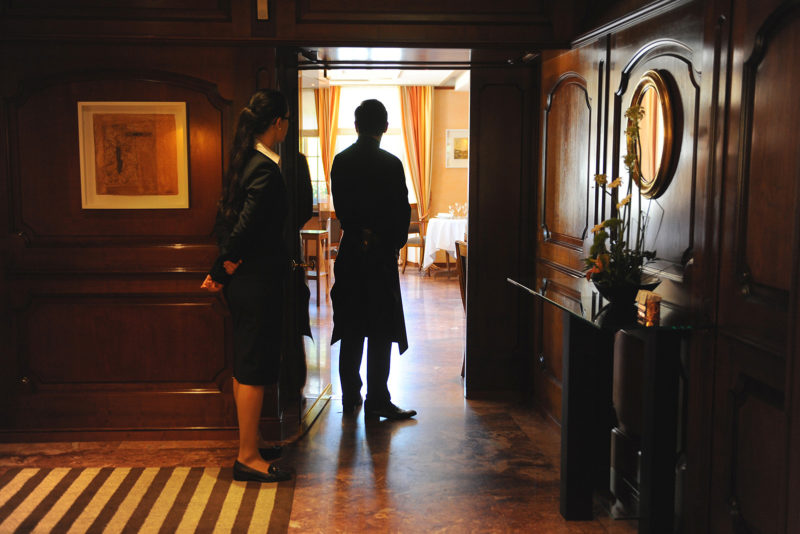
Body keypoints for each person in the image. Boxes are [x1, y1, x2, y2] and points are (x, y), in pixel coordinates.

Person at [200, 88, 293, 482]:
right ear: (278, 123)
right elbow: (245, 228)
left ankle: (251, 441)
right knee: (254, 368)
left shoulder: (244, 161)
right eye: (286, 122)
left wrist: (223, 269)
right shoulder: (265, 168)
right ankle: (248, 458)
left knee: (245, 365)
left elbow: (226, 223)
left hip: (245, 280)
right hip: (257, 281)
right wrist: (221, 269)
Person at [329, 99, 417, 421]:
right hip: (380, 255)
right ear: (385, 127)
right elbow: (402, 212)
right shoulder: (392, 164)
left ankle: (350, 395)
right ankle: (377, 399)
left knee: (350, 325)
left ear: (356, 126)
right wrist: (393, 245)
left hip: (351, 251)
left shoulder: (341, 161)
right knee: (380, 329)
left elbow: (341, 210)